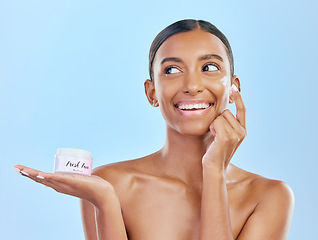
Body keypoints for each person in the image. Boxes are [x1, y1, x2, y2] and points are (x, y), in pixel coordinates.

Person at [13, 19, 294, 240]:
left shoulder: (270, 197)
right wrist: (106, 202)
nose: (192, 85)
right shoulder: (108, 184)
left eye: (209, 67)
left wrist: (213, 171)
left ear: (234, 89)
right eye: (172, 70)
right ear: (152, 93)